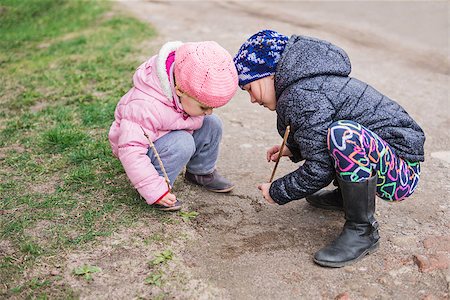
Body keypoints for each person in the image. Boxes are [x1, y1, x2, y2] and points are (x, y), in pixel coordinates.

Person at [234, 30, 425, 267]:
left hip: (401, 175)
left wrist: (278, 191)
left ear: (269, 75)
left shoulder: (303, 94)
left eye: (249, 88)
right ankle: (346, 197)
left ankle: (362, 231)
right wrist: (293, 150)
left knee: (344, 136)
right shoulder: (305, 86)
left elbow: (320, 168)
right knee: (338, 134)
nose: (252, 99)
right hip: (388, 160)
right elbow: (317, 133)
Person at [109, 41, 238, 211]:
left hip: (170, 134)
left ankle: (200, 172)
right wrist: (154, 190)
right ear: (179, 91)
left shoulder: (185, 95)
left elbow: (203, 117)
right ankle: (159, 185)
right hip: (146, 151)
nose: (209, 111)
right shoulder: (145, 105)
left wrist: (201, 111)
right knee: (183, 142)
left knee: (212, 123)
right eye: (204, 107)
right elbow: (131, 150)